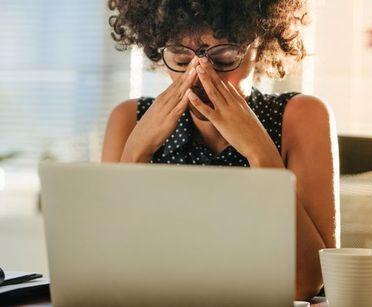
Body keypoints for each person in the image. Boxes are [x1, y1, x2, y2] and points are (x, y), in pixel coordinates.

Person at [103, 0, 339, 301]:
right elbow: (109, 274)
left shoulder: (302, 117)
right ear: (158, 51)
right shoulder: (128, 121)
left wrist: (260, 152)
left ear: (260, 44)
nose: (201, 76)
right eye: (179, 56)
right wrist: (136, 152)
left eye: (225, 56)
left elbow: (305, 283)